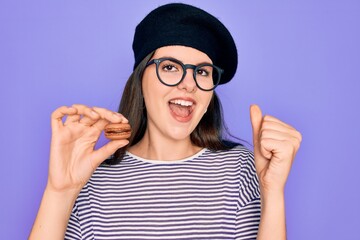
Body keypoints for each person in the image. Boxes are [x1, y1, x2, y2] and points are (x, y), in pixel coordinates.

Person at [30, 3, 302, 240]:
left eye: (202, 72)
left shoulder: (241, 169)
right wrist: (60, 191)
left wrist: (273, 191)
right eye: (170, 67)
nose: (188, 84)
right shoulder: (91, 179)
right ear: (140, 80)